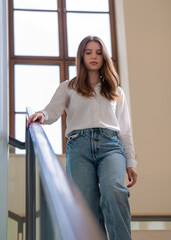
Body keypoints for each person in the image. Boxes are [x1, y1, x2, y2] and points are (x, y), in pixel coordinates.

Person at [27, 36, 138, 240]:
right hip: (79, 147)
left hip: (111, 146)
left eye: (98, 52)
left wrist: (131, 161)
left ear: (104, 57)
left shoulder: (115, 90)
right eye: (88, 52)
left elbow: (125, 130)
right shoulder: (68, 87)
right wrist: (43, 114)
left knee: (114, 191)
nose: (93, 56)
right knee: (86, 204)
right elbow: (53, 110)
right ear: (81, 56)